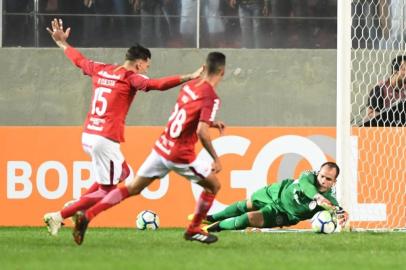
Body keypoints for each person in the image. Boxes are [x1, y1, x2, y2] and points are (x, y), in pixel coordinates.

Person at [43, 18, 203, 236]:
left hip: (89, 134)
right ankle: (60, 215)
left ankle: (77, 205)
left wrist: (62, 43)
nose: (146, 70)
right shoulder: (130, 78)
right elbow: (156, 85)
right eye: (147, 65)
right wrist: (190, 77)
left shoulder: (101, 69)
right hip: (104, 138)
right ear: (139, 63)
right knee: (108, 191)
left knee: (125, 173)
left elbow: (78, 59)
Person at [72, 51, 227, 245]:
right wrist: (216, 158)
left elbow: (186, 116)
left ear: (204, 67)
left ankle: (87, 215)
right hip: (180, 154)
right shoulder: (211, 96)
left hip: (161, 147)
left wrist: (211, 123)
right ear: (222, 71)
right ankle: (193, 228)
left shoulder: (189, 88)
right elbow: (201, 132)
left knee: (132, 188)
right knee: (214, 185)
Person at [198, 162, 348, 232]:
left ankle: (213, 228)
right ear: (318, 173)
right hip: (276, 192)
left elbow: (336, 210)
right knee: (246, 205)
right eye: (322, 176)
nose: (323, 180)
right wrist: (317, 197)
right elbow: (306, 187)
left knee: (247, 218)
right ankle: (211, 217)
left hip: (284, 214)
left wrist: (341, 215)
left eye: (329, 179)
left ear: (334, 181)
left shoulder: (330, 199)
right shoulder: (308, 175)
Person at [365, 55, 406, 126]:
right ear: (395, 71)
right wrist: (391, 117)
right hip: (383, 131)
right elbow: (370, 115)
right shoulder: (380, 89)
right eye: (404, 69)